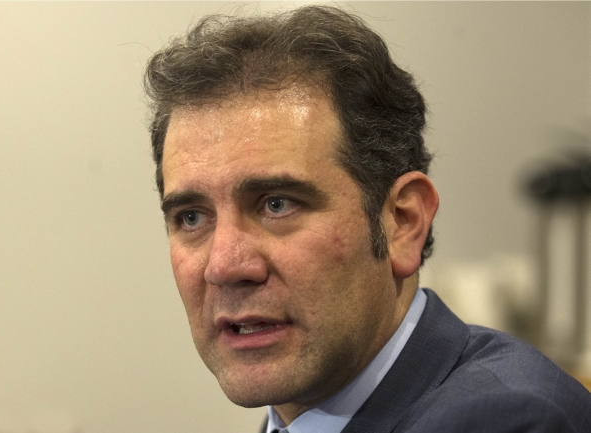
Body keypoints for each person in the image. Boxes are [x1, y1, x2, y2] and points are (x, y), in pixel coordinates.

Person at [144, 5, 591, 433]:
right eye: (191, 217)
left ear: (403, 223)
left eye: (277, 204)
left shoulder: (504, 420)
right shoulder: (301, 412)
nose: (224, 265)